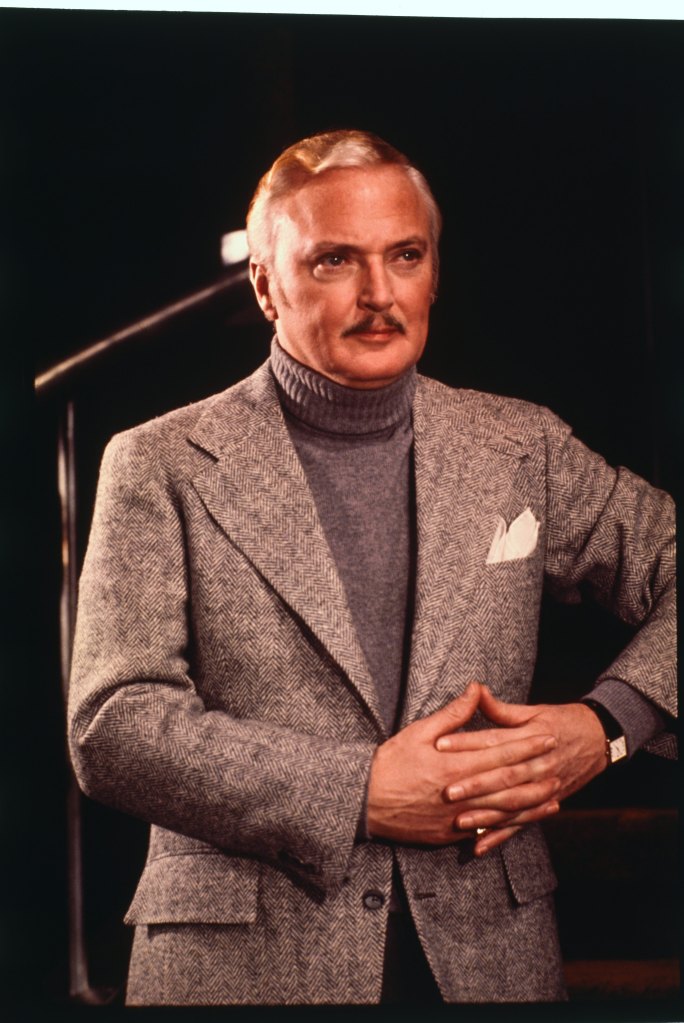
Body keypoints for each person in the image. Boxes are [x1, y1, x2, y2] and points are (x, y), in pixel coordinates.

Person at [68, 130, 676, 1005]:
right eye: (335, 261)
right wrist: (355, 791)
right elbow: (113, 724)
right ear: (265, 286)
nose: (379, 293)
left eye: (405, 255)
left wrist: (606, 726)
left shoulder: (522, 445)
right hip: (243, 967)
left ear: (434, 272)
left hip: (488, 961)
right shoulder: (157, 462)